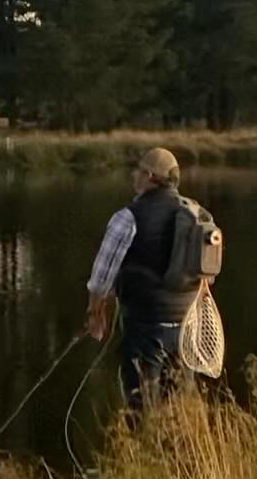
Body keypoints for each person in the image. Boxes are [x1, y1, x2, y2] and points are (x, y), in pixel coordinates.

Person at [84, 147, 203, 408]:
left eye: (138, 171)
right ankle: (183, 448)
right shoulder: (194, 213)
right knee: (180, 410)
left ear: (149, 175)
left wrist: (95, 312)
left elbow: (102, 275)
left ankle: (142, 447)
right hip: (187, 327)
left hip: (145, 328)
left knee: (141, 407)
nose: (133, 175)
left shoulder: (128, 217)